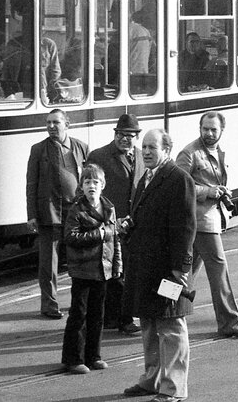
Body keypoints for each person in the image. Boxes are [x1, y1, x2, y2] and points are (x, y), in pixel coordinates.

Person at [121, 128, 196, 402]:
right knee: (149, 323)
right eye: (145, 147)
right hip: (145, 268)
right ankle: (152, 379)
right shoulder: (146, 178)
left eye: (153, 147)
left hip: (168, 271)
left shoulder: (179, 179)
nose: (147, 151)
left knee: (171, 325)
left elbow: (186, 226)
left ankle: (174, 388)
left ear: (167, 149)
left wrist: (181, 268)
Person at [175, 111, 238, 339]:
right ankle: (229, 321)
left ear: (221, 131)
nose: (208, 133)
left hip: (210, 218)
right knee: (219, 270)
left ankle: (164, 310)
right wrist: (209, 191)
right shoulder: (189, 153)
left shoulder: (218, 152)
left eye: (213, 129)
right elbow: (179, 187)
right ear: (200, 128)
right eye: (205, 128)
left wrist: (221, 191)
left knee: (183, 272)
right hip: (200, 221)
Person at [26, 109, 89, 319]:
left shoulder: (81, 148)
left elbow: (89, 179)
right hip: (49, 213)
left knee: (78, 261)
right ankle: (49, 305)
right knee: (48, 264)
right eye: (48, 123)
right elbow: (31, 183)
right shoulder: (38, 150)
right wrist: (32, 214)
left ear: (67, 124)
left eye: (56, 123)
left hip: (75, 213)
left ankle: (79, 303)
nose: (51, 127)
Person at [61, 165, 122, 374]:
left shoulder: (109, 208)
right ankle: (73, 358)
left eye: (95, 182)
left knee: (98, 315)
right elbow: (70, 237)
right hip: (82, 270)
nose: (91, 186)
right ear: (82, 186)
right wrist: (98, 234)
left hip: (102, 269)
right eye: (87, 182)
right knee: (79, 314)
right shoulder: (76, 210)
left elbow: (115, 239)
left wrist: (117, 265)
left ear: (103, 185)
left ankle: (93, 356)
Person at [86, 113, 143, 335]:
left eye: (129, 136)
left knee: (125, 273)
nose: (124, 139)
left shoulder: (141, 156)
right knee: (112, 274)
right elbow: (90, 192)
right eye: (120, 134)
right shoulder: (99, 156)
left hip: (133, 225)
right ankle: (118, 319)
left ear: (136, 137)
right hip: (109, 224)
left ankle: (119, 317)